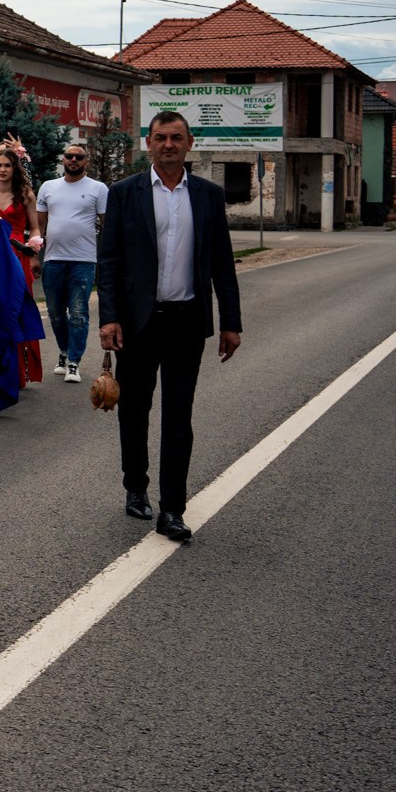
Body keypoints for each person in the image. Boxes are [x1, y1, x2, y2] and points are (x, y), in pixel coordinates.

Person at [98, 111, 242, 542]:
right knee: (134, 410)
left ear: (189, 142)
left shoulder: (208, 195)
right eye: (160, 137)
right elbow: (108, 261)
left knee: (179, 416)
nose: (168, 144)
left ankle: (173, 509)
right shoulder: (124, 193)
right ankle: (135, 487)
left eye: (176, 137)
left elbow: (222, 263)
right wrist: (109, 317)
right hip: (138, 322)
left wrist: (231, 322)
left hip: (185, 321)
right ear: (148, 143)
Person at [0, 146, 45, 386]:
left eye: (7, 165)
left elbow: (34, 227)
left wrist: (34, 250)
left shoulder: (26, 194)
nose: (2, 170)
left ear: (15, 168)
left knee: (17, 308)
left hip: (17, 253)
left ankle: (17, 369)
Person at [36, 142, 108, 383]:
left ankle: (74, 362)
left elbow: (106, 224)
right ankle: (64, 352)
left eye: (79, 157)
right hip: (53, 258)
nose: (74, 160)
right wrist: (35, 256)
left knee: (78, 313)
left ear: (86, 161)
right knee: (56, 313)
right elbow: (40, 226)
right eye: (69, 156)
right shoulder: (48, 187)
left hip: (83, 260)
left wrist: (108, 258)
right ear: (63, 160)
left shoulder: (98, 188)